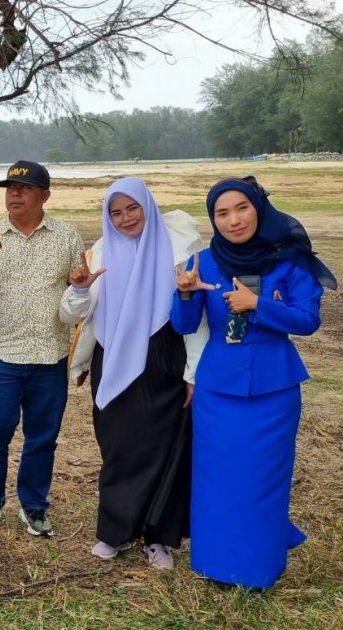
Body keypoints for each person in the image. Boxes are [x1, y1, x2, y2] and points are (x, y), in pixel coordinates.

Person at [170, 176, 335, 588]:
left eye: (241, 208)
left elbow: (308, 320)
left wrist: (257, 305)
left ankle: (259, 566)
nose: (233, 220)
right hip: (218, 390)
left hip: (273, 390)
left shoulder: (290, 259)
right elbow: (185, 325)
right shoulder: (203, 261)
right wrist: (185, 294)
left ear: (258, 208)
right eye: (222, 213)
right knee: (216, 479)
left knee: (263, 479)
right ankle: (215, 564)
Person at [59, 177, 208, 569]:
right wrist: (78, 290)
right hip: (112, 356)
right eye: (116, 212)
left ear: (148, 206)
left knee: (164, 447)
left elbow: (196, 317)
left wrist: (193, 372)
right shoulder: (99, 253)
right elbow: (71, 315)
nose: (125, 219)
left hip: (164, 356)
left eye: (132, 208)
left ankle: (158, 539)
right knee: (118, 447)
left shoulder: (177, 248)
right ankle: (115, 531)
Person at [0, 160, 84, 537]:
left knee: (42, 439)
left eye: (25, 188)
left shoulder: (67, 236)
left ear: (44, 195)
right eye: (10, 188)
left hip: (50, 356)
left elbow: (77, 291)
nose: (14, 194)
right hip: (2, 356)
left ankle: (33, 505)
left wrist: (80, 284)